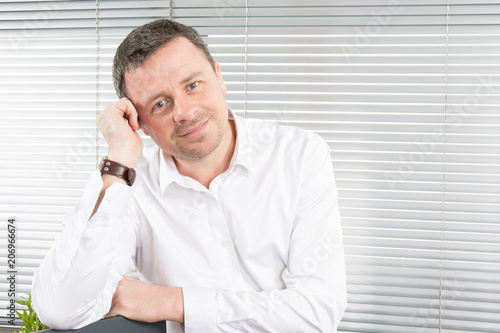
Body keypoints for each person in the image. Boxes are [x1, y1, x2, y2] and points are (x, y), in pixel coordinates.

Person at [31, 19, 347, 332]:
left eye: (192, 85)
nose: (183, 112)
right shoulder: (134, 184)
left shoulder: (300, 154)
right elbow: (61, 308)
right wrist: (118, 160)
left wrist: (175, 303)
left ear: (219, 77)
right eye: (159, 103)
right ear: (139, 123)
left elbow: (316, 314)